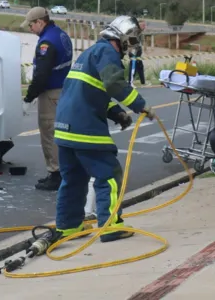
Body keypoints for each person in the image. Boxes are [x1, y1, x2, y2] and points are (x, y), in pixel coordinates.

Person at [53, 15, 155, 243]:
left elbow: (93, 91)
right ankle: (110, 225)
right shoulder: (107, 53)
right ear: (123, 38)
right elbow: (114, 84)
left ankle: (68, 227)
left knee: (73, 178)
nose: (133, 45)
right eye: (133, 39)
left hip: (63, 128)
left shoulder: (90, 53)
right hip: (84, 127)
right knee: (108, 173)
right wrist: (141, 105)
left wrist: (115, 112)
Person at [21, 7, 74, 191]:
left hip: (51, 94)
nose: (30, 29)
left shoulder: (46, 43)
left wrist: (29, 97)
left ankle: (56, 173)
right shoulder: (61, 35)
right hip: (62, 91)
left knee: (49, 132)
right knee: (59, 132)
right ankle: (61, 172)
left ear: (40, 22)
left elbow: (41, 75)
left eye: (31, 25)